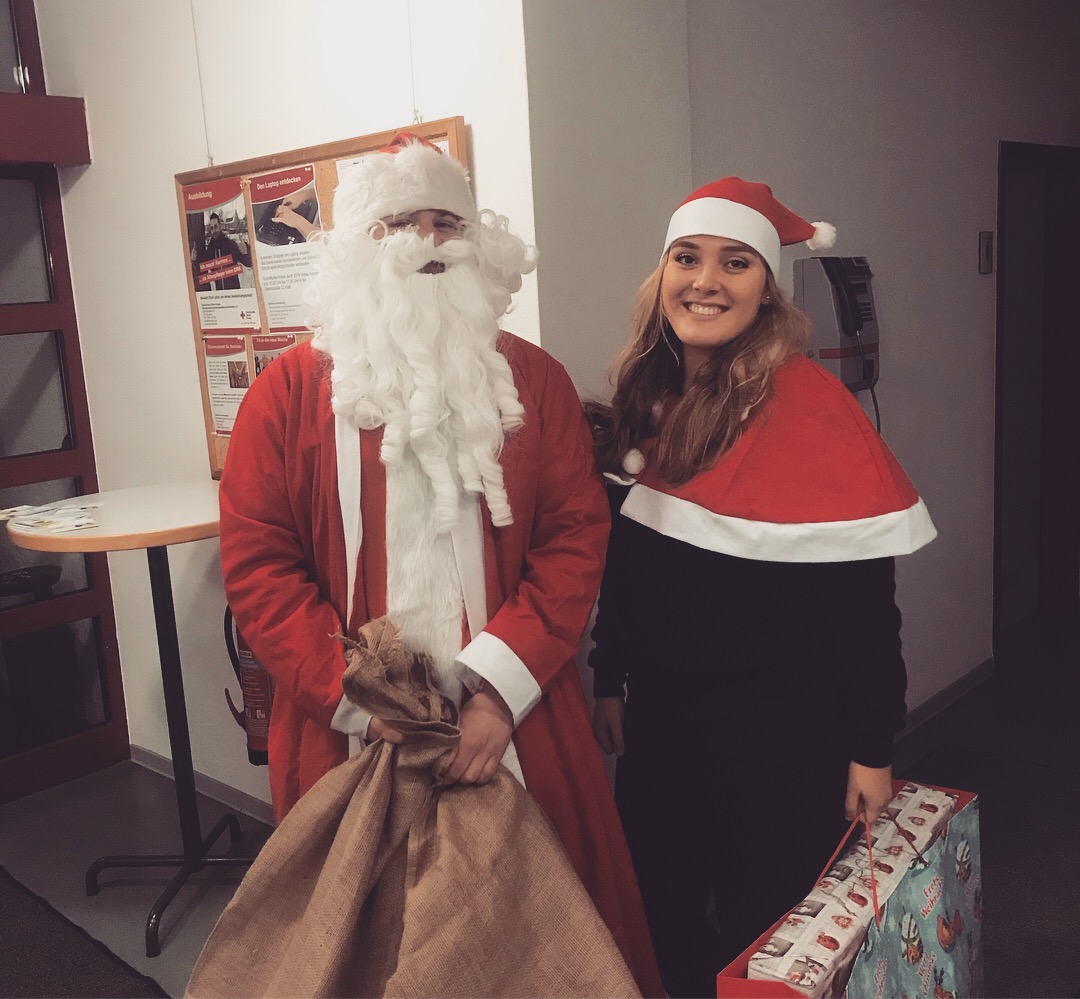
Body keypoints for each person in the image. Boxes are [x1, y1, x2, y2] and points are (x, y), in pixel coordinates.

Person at [218, 132, 663, 996]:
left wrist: (498, 694)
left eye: (445, 222)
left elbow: (574, 539)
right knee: (359, 948)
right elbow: (260, 564)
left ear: (475, 242)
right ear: (358, 246)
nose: (426, 241)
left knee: (542, 945)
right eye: (398, 224)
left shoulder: (536, 382)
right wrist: (361, 698)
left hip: (515, 720)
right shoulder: (285, 395)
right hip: (349, 733)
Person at [586, 176, 937, 997]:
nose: (705, 280)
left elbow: (864, 609)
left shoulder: (815, 412)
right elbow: (629, 562)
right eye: (687, 258)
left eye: (735, 262)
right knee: (661, 916)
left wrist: (874, 746)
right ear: (663, 274)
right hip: (663, 726)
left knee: (768, 931)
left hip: (781, 738)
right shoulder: (646, 396)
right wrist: (609, 673)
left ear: (768, 288)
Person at [193, 212, 252, 290]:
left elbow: (248, 263)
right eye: (212, 228)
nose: (214, 231)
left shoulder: (230, 244)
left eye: (216, 227)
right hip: (220, 292)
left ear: (220, 226)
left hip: (234, 291)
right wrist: (194, 259)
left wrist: (246, 250)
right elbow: (201, 267)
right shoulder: (210, 250)